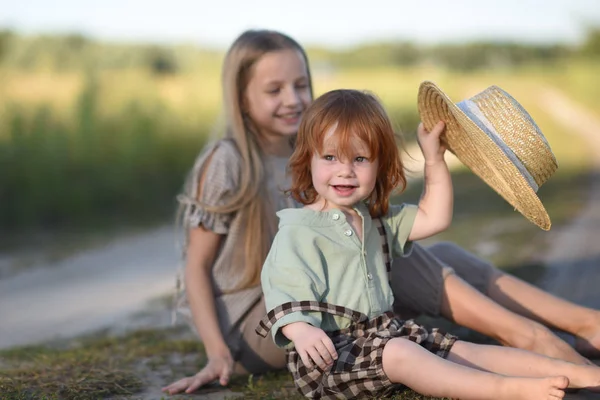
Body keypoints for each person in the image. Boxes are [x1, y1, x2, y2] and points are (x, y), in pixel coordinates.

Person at [162, 28, 600, 396]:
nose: (292, 99)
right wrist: (217, 351)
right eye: (274, 90)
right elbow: (196, 267)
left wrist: (433, 163)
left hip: (320, 301)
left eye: (300, 85)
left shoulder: (314, 145)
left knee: (425, 247)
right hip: (269, 324)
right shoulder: (230, 159)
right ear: (240, 98)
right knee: (399, 252)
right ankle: (528, 337)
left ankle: (583, 322)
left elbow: (408, 216)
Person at [258, 88, 600, 400]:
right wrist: (300, 330)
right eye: (330, 158)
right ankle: (507, 389)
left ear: (379, 166)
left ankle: (582, 374)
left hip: (385, 334)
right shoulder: (299, 230)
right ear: (308, 160)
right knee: (402, 353)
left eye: (359, 160)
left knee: (463, 350)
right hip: (332, 355)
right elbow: (281, 291)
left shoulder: (373, 218)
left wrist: (434, 160)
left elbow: (434, 218)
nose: (345, 171)